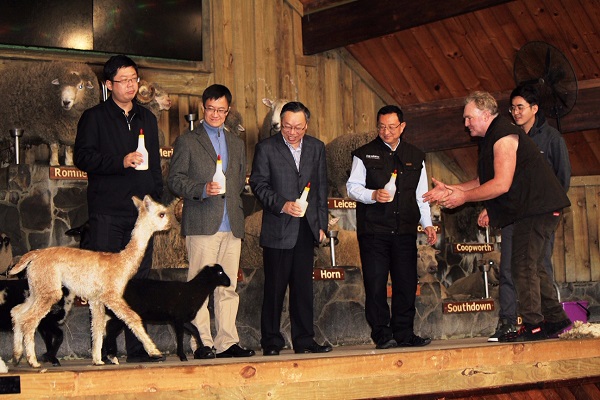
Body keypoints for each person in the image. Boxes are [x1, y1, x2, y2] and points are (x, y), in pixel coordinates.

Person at [423, 91, 572, 342]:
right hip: (533, 208)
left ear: (484, 114)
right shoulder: (492, 137)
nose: (466, 123)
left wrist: (463, 198)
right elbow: (483, 181)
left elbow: (501, 184)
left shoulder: (503, 136)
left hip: (537, 208)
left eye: (469, 118)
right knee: (533, 266)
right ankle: (556, 319)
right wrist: (453, 189)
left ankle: (534, 326)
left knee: (522, 266)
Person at [74, 55, 164, 363]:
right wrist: (119, 161)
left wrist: (157, 201)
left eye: (135, 79)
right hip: (108, 212)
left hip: (141, 218)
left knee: (138, 281)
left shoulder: (148, 118)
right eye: (124, 81)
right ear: (108, 84)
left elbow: (156, 168)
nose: (131, 86)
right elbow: (82, 158)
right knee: (106, 286)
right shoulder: (94, 117)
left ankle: (138, 349)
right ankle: (107, 347)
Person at [168, 84, 254, 359]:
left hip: (232, 224)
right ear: (202, 108)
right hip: (202, 223)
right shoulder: (188, 141)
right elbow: (175, 179)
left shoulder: (238, 144)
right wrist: (203, 189)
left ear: (228, 110)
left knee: (229, 287)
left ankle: (227, 342)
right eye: (210, 109)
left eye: (221, 110)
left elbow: (239, 182)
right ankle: (201, 343)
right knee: (198, 290)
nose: (215, 114)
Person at [482, 85, 572, 341]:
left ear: (535, 108)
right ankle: (552, 318)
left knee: (529, 265)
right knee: (522, 265)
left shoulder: (553, 138)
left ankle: (534, 324)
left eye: (521, 107)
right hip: (515, 212)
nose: (516, 112)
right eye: (512, 108)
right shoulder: (510, 137)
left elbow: (562, 179)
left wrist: (549, 207)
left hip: (541, 212)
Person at [346, 105, 437, 350]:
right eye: (382, 127)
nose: (386, 132)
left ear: (402, 127)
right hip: (374, 232)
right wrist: (373, 194)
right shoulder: (364, 154)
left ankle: (405, 333)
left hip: (405, 232)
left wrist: (427, 225)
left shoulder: (416, 156)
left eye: (391, 127)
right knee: (375, 285)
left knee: (406, 284)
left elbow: (421, 195)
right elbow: (352, 188)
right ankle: (382, 334)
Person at [249, 101, 332, 356]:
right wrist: (282, 205)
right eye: (287, 127)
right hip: (278, 228)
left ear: (307, 125)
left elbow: (320, 188)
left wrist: (321, 225)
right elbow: (259, 185)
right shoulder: (266, 148)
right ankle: (271, 342)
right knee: (274, 289)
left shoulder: (317, 148)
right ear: (280, 124)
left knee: (304, 290)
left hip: (306, 229)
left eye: (298, 127)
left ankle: (305, 340)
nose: (292, 132)